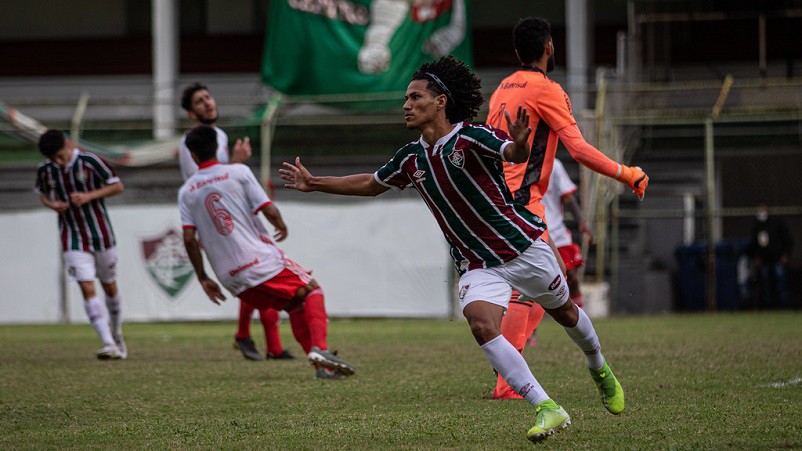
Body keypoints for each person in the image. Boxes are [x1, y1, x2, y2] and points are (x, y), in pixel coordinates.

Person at [280, 55, 625, 444]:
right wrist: (316, 183)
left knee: (565, 312)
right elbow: (370, 183)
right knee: (480, 324)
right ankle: (546, 406)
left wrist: (522, 143)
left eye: (415, 97)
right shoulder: (411, 158)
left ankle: (598, 367)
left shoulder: (471, 137)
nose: (406, 105)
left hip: (523, 249)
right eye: (405, 99)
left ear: (441, 101)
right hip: (478, 265)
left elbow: (512, 154)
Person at [485, 17, 648, 400]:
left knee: (549, 280)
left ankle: (509, 372)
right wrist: (626, 173)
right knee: (537, 286)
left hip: (499, 196)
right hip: (523, 201)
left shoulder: (502, 88)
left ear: (516, 52)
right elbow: (578, 149)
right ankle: (508, 382)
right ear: (549, 47)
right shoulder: (546, 89)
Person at [179, 125, 355, 380]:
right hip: (259, 261)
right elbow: (267, 208)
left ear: (193, 156)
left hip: (230, 279)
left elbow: (188, 238)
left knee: (295, 304)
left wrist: (203, 277)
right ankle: (321, 350)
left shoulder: (186, 191)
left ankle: (323, 369)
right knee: (312, 289)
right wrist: (280, 225)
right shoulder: (238, 172)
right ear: (218, 148)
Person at [179, 83, 293, 361]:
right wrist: (236, 163)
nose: (207, 103)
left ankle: (255, 339)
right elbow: (204, 181)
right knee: (259, 271)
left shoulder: (218, 134)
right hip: (217, 222)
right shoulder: (190, 143)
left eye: (208, 96)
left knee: (255, 273)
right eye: (199, 101)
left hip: (234, 216)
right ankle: (262, 342)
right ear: (191, 113)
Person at [35, 130, 127, 360]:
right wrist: (51, 204)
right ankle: (108, 343)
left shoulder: (90, 161)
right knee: (86, 287)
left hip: (101, 234)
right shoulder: (45, 170)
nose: (57, 162)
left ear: (68, 145)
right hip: (72, 236)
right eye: (52, 159)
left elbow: (117, 186)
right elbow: (42, 194)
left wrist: (90, 196)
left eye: (59, 156)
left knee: (109, 286)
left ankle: (116, 336)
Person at [749, 202, 793, 308]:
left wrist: (785, 255)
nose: (761, 213)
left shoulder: (777, 223)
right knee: (766, 285)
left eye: (763, 210)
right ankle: (770, 307)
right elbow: (754, 244)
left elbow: (788, 240)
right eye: (759, 210)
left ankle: (784, 306)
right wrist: (757, 257)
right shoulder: (757, 226)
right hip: (765, 260)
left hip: (778, 258)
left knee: (781, 283)